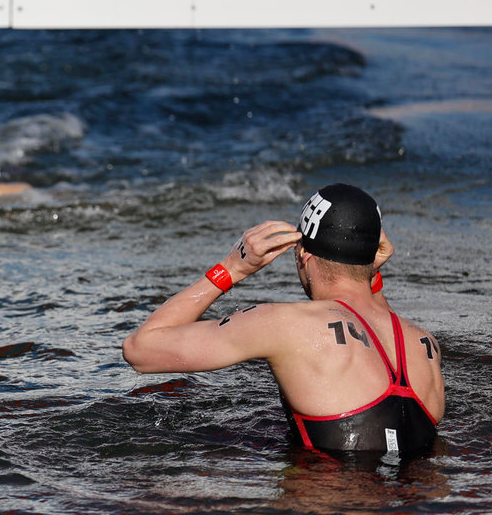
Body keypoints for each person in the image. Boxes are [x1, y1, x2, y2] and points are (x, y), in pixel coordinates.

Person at [122, 183, 444, 455]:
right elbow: (370, 324)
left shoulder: (285, 324)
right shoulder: (423, 343)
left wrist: (233, 267)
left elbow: (141, 349)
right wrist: (371, 275)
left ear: (303, 253)